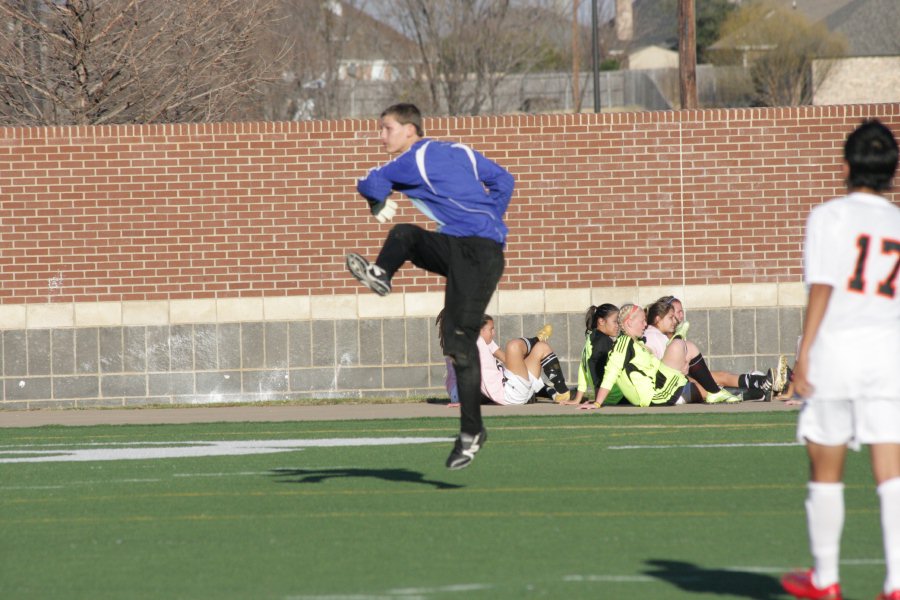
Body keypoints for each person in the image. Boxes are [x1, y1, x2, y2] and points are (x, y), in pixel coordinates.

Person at [347, 103, 514, 470]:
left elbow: (369, 182)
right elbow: (505, 180)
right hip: (462, 246)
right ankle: (381, 275)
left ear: (410, 129)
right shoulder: (460, 150)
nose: (381, 136)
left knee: (459, 340)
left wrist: (376, 199)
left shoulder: (412, 159)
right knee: (405, 234)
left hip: (479, 254)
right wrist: (490, 218)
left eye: (386, 128)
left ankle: (472, 432)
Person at [781, 119, 900, 600]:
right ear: (892, 170)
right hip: (888, 357)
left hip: (837, 353)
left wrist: (803, 355)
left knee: (825, 464)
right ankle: (895, 583)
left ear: (848, 165)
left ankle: (826, 579)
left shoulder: (828, 216)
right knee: (890, 470)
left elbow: (824, 287)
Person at [644, 298, 774, 403]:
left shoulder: (656, 335)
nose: (675, 321)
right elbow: (658, 370)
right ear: (657, 319)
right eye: (671, 317)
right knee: (713, 386)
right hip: (671, 393)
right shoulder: (654, 337)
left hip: (674, 387)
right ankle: (761, 389)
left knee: (717, 378)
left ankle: (761, 385)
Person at [580, 303, 693, 409]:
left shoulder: (636, 343)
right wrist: (597, 402)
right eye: (642, 321)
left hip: (658, 390)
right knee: (681, 348)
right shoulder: (623, 343)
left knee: (695, 384)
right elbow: (611, 371)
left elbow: (654, 368)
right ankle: (679, 337)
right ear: (629, 323)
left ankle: (679, 338)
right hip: (656, 397)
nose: (645, 324)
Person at [476, 316, 569, 405]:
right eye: (491, 329)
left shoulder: (487, 342)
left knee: (542, 347)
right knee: (513, 346)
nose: (494, 333)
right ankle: (536, 339)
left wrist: (519, 361)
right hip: (510, 393)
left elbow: (505, 359)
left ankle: (563, 392)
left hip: (519, 388)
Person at [569, 304, 624, 406]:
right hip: (617, 397)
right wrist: (598, 401)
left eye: (619, 322)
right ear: (601, 321)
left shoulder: (591, 339)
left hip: (606, 397)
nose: (618, 326)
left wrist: (578, 398)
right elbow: (595, 368)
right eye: (615, 322)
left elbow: (583, 368)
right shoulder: (603, 341)